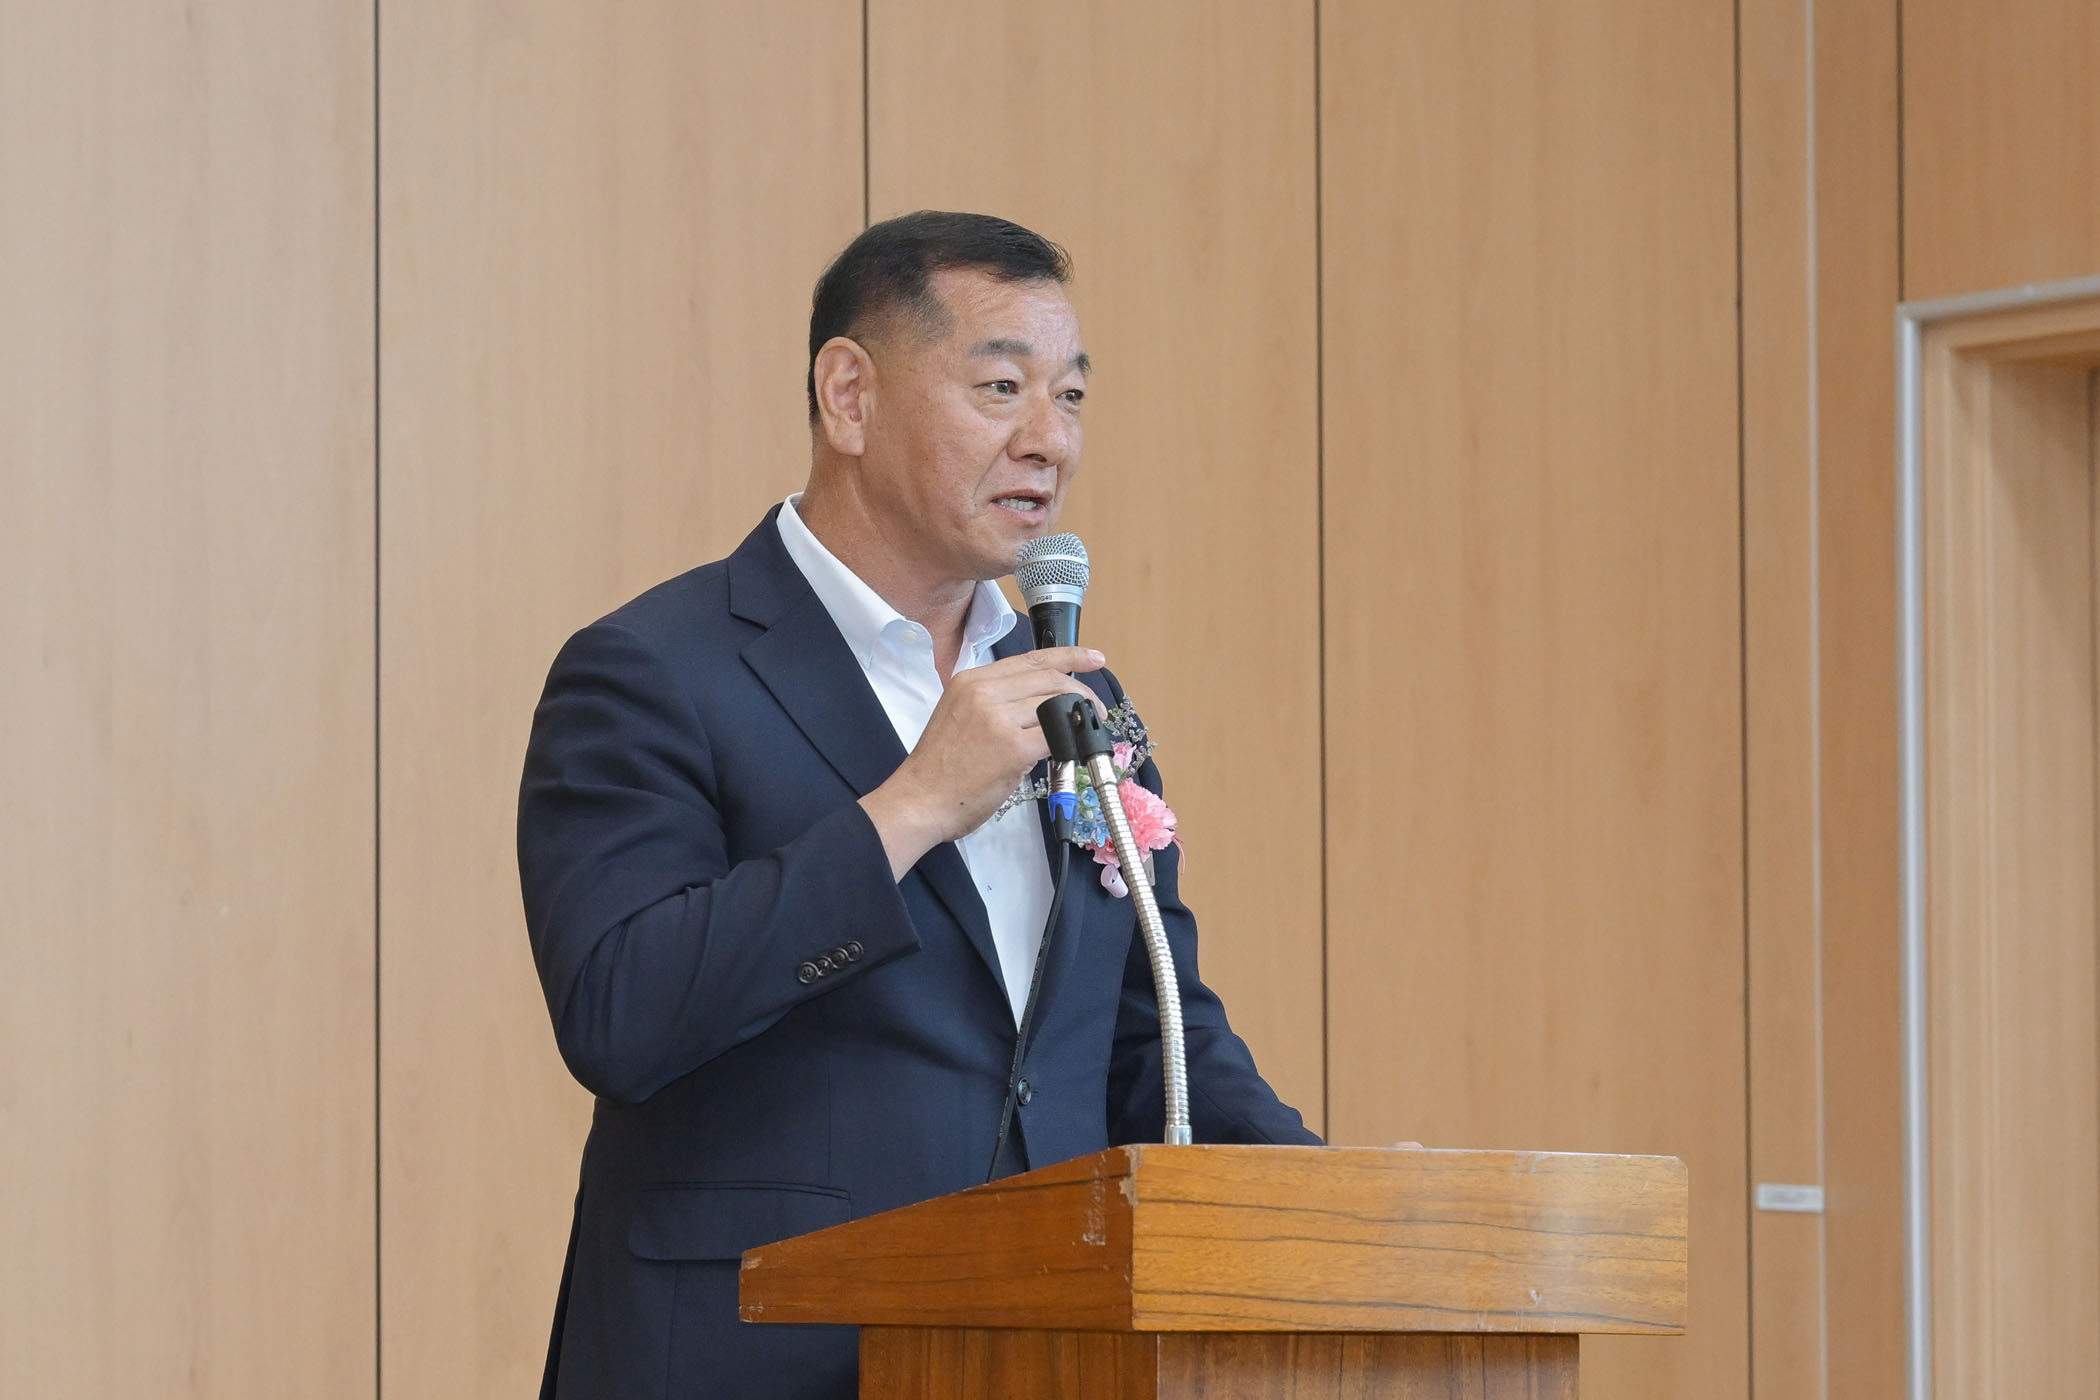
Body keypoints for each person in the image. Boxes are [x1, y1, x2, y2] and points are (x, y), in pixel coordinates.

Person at [518, 210, 1318, 1400]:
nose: (1050, 439)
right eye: (1002, 387)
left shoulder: (1075, 694)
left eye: (1072, 396)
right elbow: (621, 1010)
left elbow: (1151, 1033)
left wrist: (1335, 1200)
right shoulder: (653, 670)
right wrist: (910, 807)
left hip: (1042, 1346)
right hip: (754, 1350)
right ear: (849, 395)